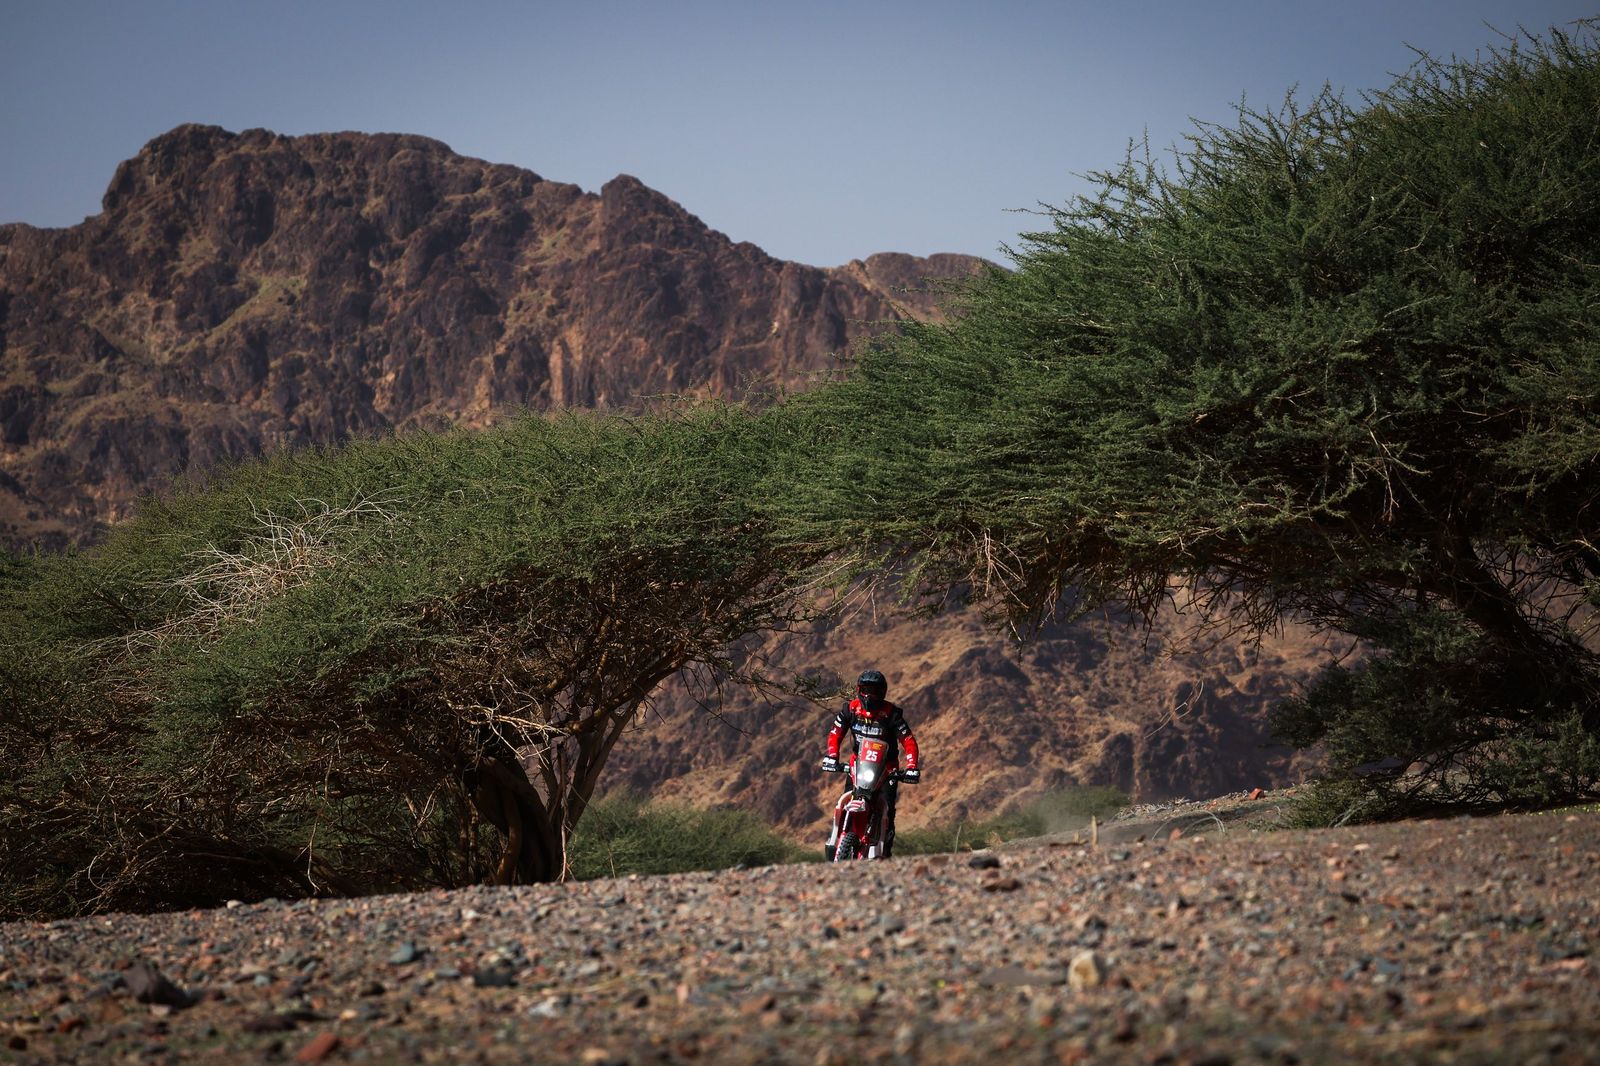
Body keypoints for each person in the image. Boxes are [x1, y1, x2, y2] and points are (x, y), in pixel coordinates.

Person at [821, 669, 921, 859]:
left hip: (886, 768)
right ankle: (836, 839)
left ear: (882, 692)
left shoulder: (891, 714)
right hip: (858, 767)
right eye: (866, 690)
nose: (869, 695)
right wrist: (832, 757)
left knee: (887, 809)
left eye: (874, 691)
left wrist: (911, 767)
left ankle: (885, 851)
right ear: (859, 689)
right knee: (845, 800)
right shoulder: (850, 709)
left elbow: (908, 741)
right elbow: (835, 734)